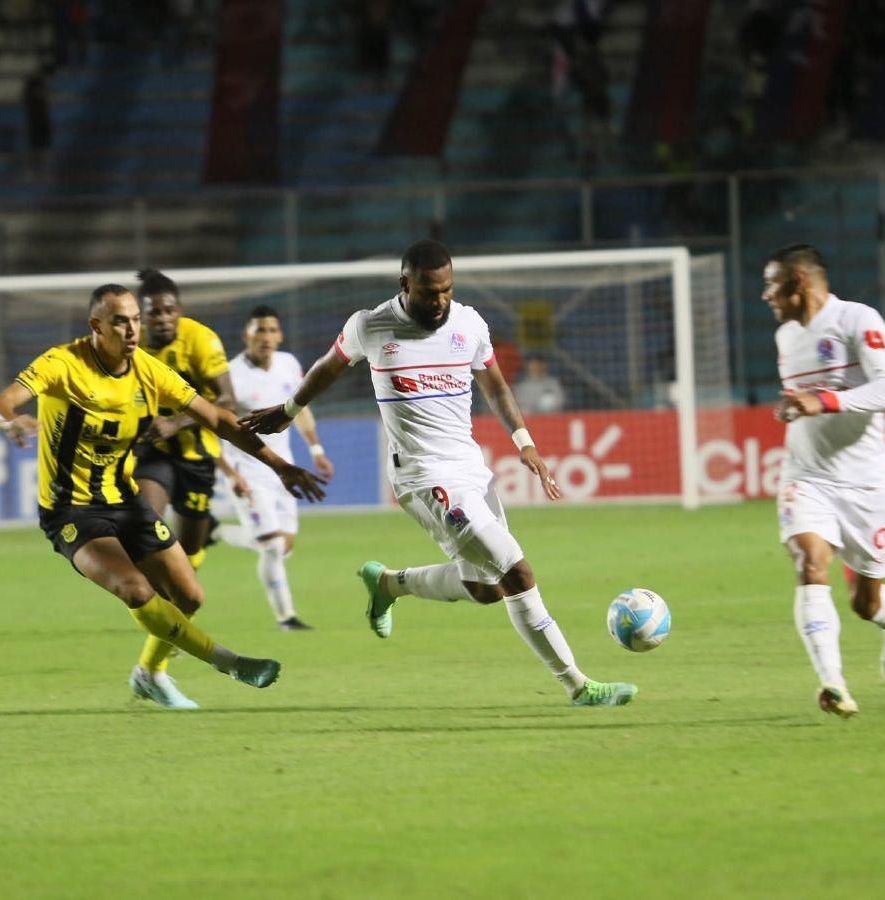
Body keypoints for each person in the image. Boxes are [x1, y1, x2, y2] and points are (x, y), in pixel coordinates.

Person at [241, 239, 637, 708]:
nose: (440, 302)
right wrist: (290, 409)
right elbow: (330, 367)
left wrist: (525, 443)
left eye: (447, 291)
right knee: (517, 572)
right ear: (405, 284)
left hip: (470, 469)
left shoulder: (468, 324)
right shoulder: (371, 325)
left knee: (485, 589)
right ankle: (578, 685)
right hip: (423, 478)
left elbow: (496, 386)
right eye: (430, 293)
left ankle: (389, 583)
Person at [0, 284, 326, 710]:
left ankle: (148, 675)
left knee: (190, 597)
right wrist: (10, 422)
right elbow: (1, 401)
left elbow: (218, 418)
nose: (131, 329)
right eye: (119, 321)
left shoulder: (148, 370)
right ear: (96, 325)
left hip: (124, 500)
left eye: (135, 320)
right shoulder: (63, 363)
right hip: (70, 508)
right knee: (134, 588)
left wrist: (281, 465)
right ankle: (229, 662)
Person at [763, 243, 885, 718]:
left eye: (772, 284)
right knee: (810, 560)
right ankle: (834, 684)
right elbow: (802, 399)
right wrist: (793, 405)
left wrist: (823, 402)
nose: (766, 295)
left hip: (866, 483)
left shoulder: (857, 320)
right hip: (807, 475)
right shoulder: (786, 336)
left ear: (799, 282)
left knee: (865, 605)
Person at [218, 305, 334, 630]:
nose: (266, 337)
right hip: (247, 467)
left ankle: (218, 532)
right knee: (270, 545)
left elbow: (300, 409)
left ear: (280, 335)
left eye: (271, 330)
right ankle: (287, 618)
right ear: (246, 336)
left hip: (284, 467)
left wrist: (316, 449)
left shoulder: (289, 365)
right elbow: (213, 426)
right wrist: (231, 473)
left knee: (284, 546)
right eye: (259, 331)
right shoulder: (230, 375)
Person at [132, 267, 243, 571]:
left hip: (196, 453)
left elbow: (227, 401)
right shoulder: (131, 344)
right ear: (141, 316)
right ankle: (152, 598)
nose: (163, 318)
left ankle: (180, 586)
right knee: (145, 527)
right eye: (154, 312)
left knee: (188, 555)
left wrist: (175, 423)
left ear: (178, 310)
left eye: (169, 310)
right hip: (153, 451)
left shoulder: (200, 340)